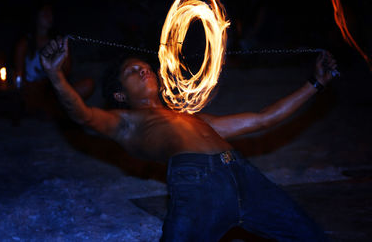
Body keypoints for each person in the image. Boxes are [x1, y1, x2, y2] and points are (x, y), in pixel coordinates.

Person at [40, 36, 337, 241]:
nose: (143, 70)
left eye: (144, 67)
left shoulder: (192, 119)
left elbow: (263, 119)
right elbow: (82, 114)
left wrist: (315, 84)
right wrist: (56, 77)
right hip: (197, 182)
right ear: (120, 94)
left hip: (244, 176)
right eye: (132, 71)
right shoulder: (125, 123)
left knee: (310, 235)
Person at [14, 4, 94, 119]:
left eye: (50, 13)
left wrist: (62, 55)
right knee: (29, 97)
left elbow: (66, 72)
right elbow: (18, 77)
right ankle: (51, 112)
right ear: (36, 17)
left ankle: (51, 111)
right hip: (33, 91)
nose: (49, 16)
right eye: (44, 13)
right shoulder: (24, 44)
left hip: (53, 91)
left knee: (88, 84)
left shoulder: (57, 42)